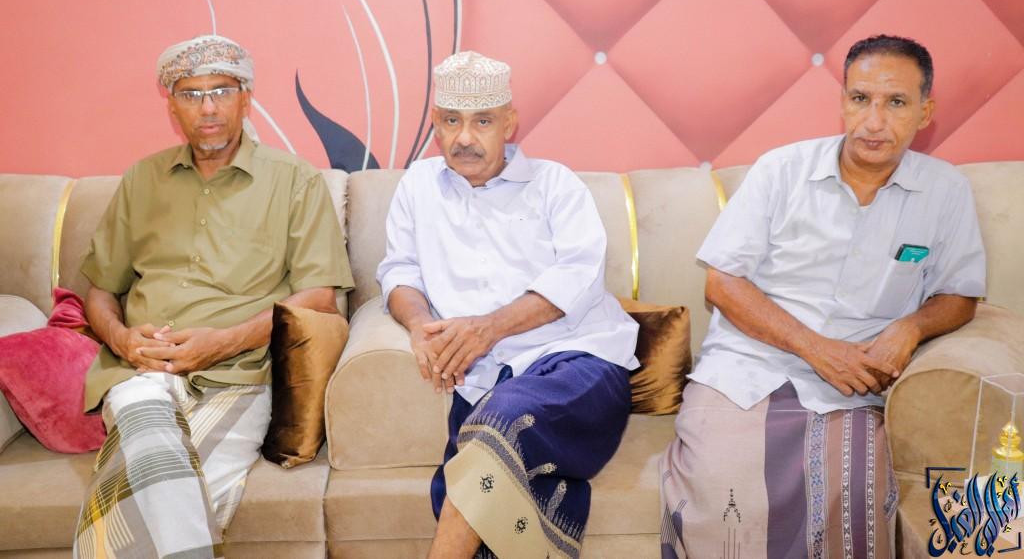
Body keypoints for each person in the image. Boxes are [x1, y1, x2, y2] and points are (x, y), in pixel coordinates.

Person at [659, 35, 986, 558]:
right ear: (842, 102)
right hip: (749, 365)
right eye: (860, 98)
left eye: (896, 102)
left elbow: (960, 294)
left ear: (925, 112)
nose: (874, 121)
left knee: (854, 497)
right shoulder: (781, 170)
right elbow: (722, 283)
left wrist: (911, 327)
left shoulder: (945, 190)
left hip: (857, 381)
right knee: (724, 498)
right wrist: (816, 349)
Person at [73, 35, 354, 558]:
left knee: (157, 492)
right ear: (172, 105)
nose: (207, 108)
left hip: (238, 377)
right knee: (153, 438)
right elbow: (100, 291)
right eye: (191, 93)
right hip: (142, 373)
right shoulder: (142, 180)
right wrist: (122, 340)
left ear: (246, 98)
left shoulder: (294, 181)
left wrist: (222, 342)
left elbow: (319, 297)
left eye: (222, 91)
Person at [377, 51, 639, 559]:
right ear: (435, 123)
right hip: (481, 376)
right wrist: (420, 324)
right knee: (475, 464)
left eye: (482, 121)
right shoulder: (417, 186)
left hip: (578, 360)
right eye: (451, 121)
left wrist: (488, 328)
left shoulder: (555, 184)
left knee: (499, 428)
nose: (464, 138)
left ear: (509, 123)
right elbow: (399, 271)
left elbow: (578, 276)